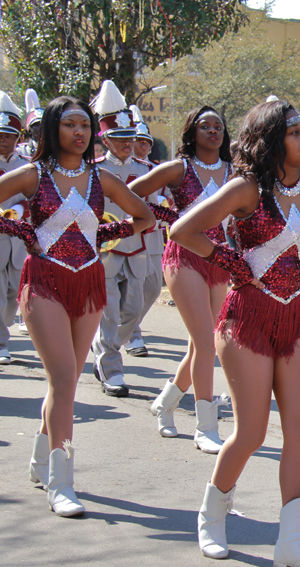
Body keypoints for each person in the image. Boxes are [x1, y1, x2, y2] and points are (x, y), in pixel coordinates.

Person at [170, 99, 300, 567]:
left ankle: (292, 542)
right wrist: (234, 265)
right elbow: (183, 230)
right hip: (246, 320)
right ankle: (212, 516)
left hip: (296, 321)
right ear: (272, 140)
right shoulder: (246, 188)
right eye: (295, 132)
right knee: (251, 432)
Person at [0, 96, 154, 516]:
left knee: (67, 382)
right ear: (52, 128)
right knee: (62, 378)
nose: (79, 132)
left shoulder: (102, 179)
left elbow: (145, 217)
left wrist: (102, 234)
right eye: (69, 124)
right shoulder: (32, 175)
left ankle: (41, 457)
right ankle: (61, 482)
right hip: (45, 281)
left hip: (89, 284)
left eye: (84, 125)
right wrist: (22, 231)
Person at [128, 106, 234, 453]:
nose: (213, 131)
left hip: (218, 259)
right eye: (205, 126)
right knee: (206, 343)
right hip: (183, 257)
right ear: (192, 132)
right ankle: (206, 427)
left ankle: (165, 402)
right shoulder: (179, 168)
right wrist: (166, 214)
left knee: (202, 345)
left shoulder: (234, 171)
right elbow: (131, 192)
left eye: (218, 126)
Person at [90, 80, 158, 397]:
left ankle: (104, 348)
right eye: (119, 138)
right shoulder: (93, 170)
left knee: (134, 308)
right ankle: (111, 369)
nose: (127, 143)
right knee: (109, 311)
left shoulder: (148, 169)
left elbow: (158, 203)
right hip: (105, 250)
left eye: (130, 137)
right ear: (105, 139)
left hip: (139, 247)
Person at [0, 91, 29, 365]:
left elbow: (37, 196)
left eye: (7, 136)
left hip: (19, 239)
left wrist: (22, 209)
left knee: (14, 294)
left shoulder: (27, 166)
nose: (1, 140)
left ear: (17, 137)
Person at [124, 105, 164, 358]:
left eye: (147, 142)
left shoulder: (154, 169)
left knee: (152, 288)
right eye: (138, 140)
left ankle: (125, 328)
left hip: (152, 237)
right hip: (124, 238)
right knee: (132, 289)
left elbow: (167, 197)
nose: (142, 145)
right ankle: (132, 334)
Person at [17, 89, 44, 160]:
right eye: (37, 125)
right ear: (30, 132)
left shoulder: (57, 150)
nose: (41, 128)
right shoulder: (21, 152)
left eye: (44, 125)